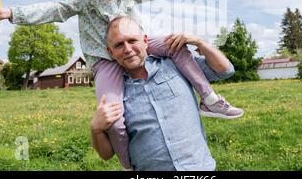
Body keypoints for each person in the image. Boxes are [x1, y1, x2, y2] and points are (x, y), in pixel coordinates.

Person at [0, 0, 243, 169]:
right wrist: (10, 13)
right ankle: (129, 163)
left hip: (140, 46)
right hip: (105, 61)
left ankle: (210, 100)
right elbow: (54, 10)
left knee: (177, 43)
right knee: (113, 117)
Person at [91, 16, 237, 170]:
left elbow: (225, 70)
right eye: (119, 45)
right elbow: (106, 155)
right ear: (110, 52)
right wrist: (96, 129)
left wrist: (201, 43)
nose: (127, 49)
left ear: (145, 41)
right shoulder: (112, 92)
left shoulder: (176, 63)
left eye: (132, 41)